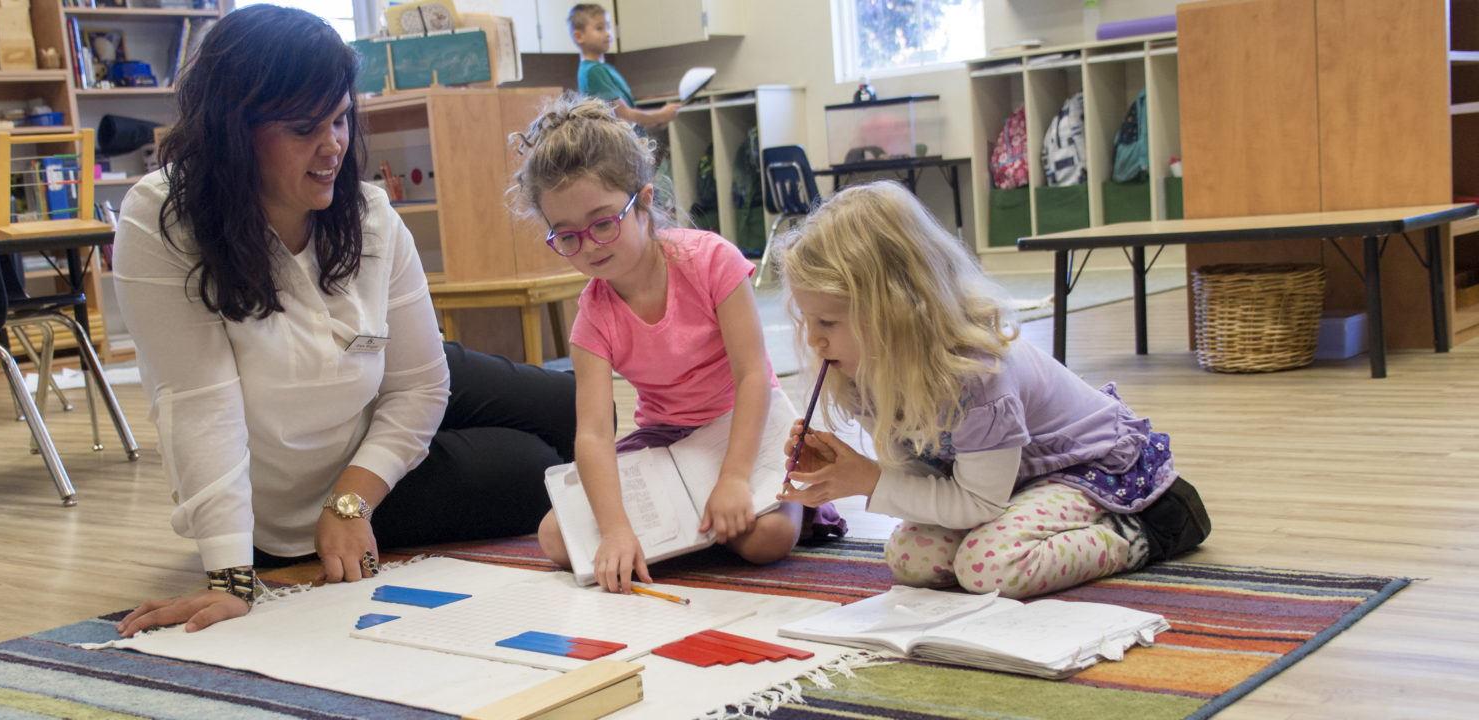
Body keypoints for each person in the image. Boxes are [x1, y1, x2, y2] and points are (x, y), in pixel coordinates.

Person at [110, 4, 577, 637]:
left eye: (340, 119)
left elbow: (419, 382)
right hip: (297, 489)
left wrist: (351, 496)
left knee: (574, 407)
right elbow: (198, 405)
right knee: (531, 469)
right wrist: (230, 578)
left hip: (372, 388)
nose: (333, 146)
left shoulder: (369, 212)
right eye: (306, 129)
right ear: (233, 133)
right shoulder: (161, 218)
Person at [776, 181, 1210, 599]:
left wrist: (869, 480)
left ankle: (1142, 529)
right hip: (1007, 484)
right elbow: (926, 481)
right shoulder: (862, 371)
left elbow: (978, 503)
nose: (814, 339)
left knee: (990, 567)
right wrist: (848, 472)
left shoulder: (976, 375)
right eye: (807, 320)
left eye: (828, 322)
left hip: (1087, 468)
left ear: (894, 311)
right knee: (910, 558)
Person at [513, 95, 836, 593]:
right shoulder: (592, 317)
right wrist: (617, 530)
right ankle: (696, 525)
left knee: (768, 538)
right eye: (568, 237)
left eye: (603, 223)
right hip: (665, 440)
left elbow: (754, 377)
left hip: (746, 423)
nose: (590, 246)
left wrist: (732, 479)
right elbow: (595, 434)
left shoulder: (712, 262)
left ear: (643, 202)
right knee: (556, 537)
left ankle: (719, 513)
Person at [568, 3, 678, 130]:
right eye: (599, 28)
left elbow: (623, 119)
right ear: (579, 36)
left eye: (608, 27)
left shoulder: (600, 69)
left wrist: (654, 120)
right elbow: (624, 115)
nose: (608, 33)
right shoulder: (594, 71)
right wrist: (661, 115)